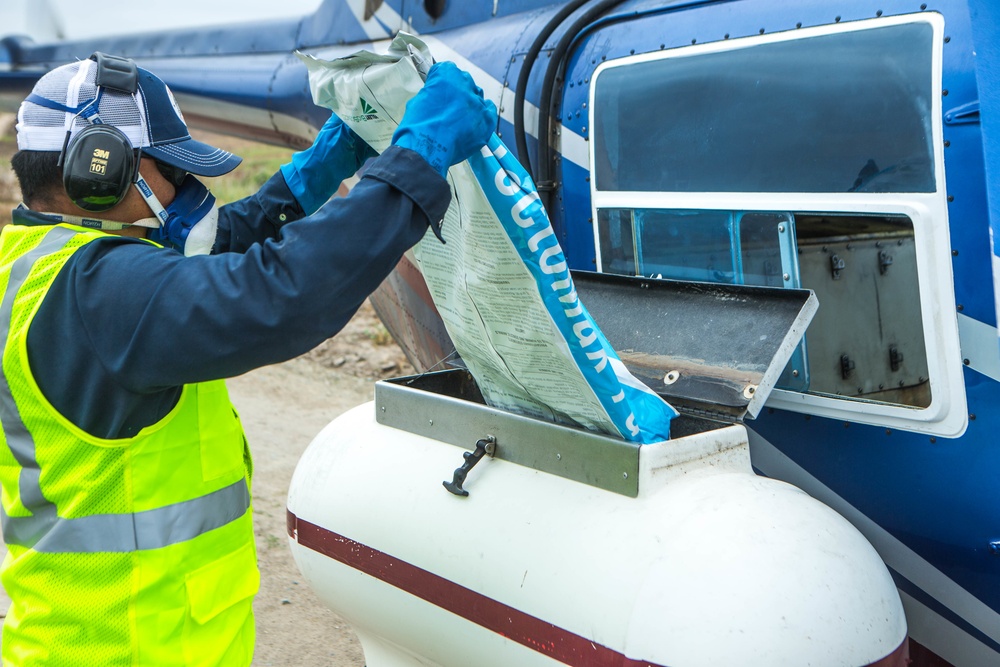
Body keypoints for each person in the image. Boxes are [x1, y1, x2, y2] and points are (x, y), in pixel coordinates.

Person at [0, 51, 496, 666]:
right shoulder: (103, 292)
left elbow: (209, 256)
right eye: (172, 173)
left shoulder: (36, 266)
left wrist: (309, 178)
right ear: (98, 171)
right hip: (126, 647)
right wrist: (417, 159)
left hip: (90, 633)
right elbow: (280, 295)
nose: (188, 191)